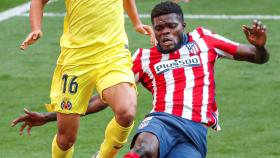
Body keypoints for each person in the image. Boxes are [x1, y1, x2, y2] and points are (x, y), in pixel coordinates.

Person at [13, 1, 269, 158]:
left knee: (136, 127)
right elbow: (101, 101)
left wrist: (260, 47)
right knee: (144, 147)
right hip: (161, 121)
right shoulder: (143, 58)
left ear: (184, 26)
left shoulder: (205, 40)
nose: (165, 32)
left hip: (195, 132)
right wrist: (50, 117)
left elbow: (258, 58)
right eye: (159, 28)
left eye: (171, 27)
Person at [18, 0, 155, 158]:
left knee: (127, 111)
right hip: (75, 60)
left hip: (112, 54)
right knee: (65, 140)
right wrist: (36, 29)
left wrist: (136, 22)